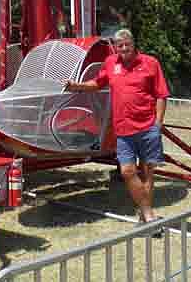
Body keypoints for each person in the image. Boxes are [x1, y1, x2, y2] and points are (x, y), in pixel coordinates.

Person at [66, 28, 169, 226]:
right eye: (119, 46)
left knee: (148, 172)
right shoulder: (111, 63)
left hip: (148, 128)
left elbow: (161, 94)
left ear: (133, 44)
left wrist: (158, 124)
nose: (124, 49)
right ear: (115, 48)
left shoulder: (150, 63)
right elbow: (97, 83)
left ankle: (146, 214)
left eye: (127, 45)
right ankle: (148, 213)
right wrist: (76, 86)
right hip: (123, 131)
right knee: (127, 172)